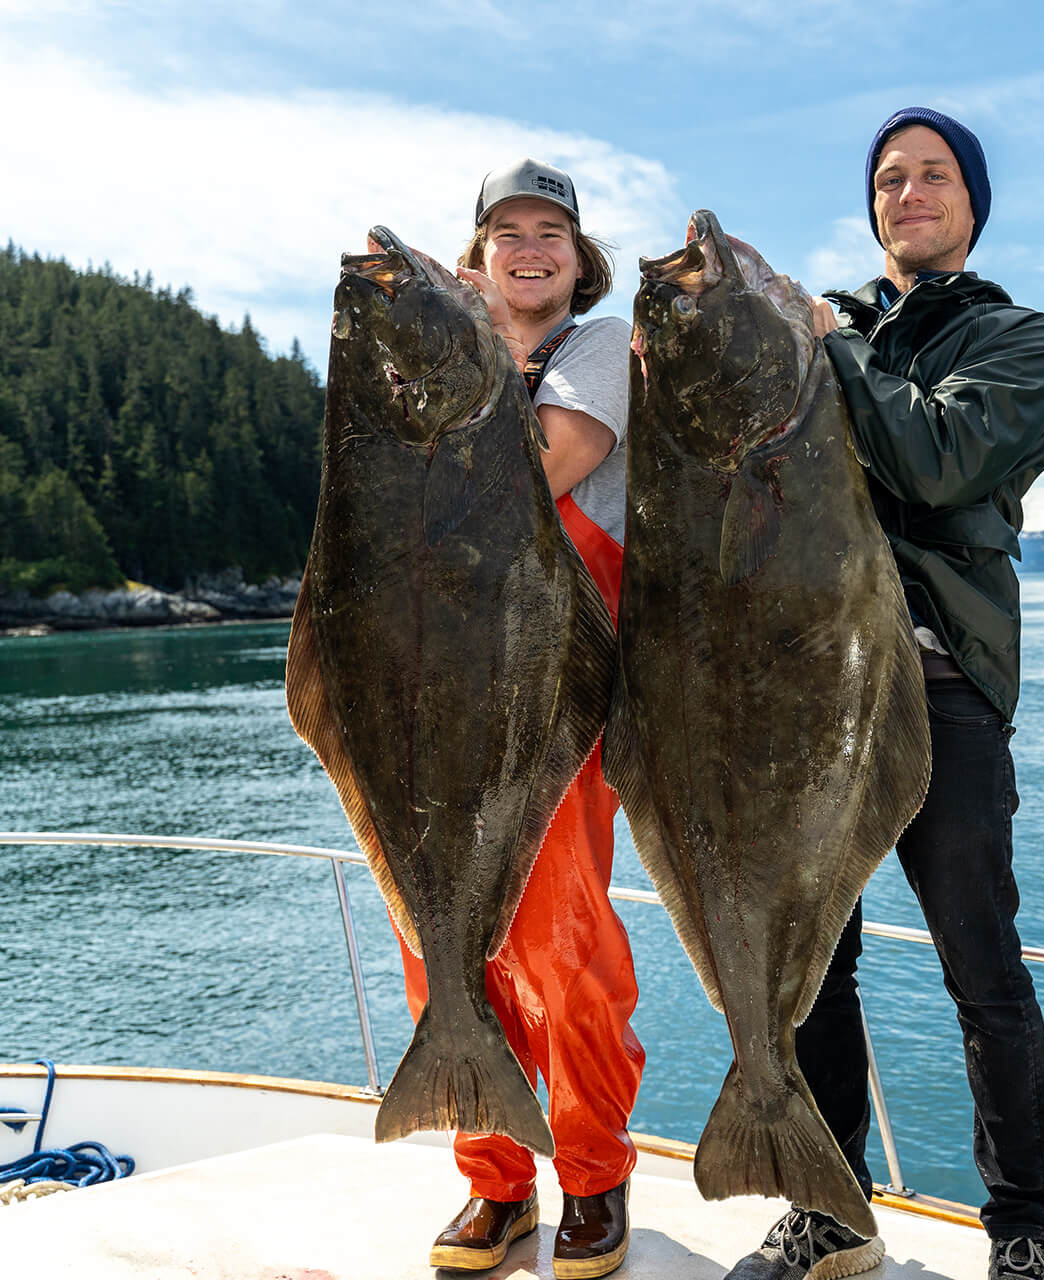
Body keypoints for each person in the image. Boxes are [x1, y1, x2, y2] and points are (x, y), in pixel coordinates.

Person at [724, 109, 1044, 1280]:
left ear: (971, 202)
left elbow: (934, 461)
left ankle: (1022, 1229)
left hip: (943, 688)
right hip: (809, 692)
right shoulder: (821, 329)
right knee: (814, 964)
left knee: (984, 967)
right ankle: (834, 1211)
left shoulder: (1019, 341)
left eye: (934, 177)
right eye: (889, 179)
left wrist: (829, 344)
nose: (910, 193)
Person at [393, 158, 645, 1280]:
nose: (530, 248)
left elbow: (545, 468)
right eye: (508, 231)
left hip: (551, 685)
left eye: (551, 231)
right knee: (432, 941)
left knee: (562, 941)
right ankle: (495, 1180)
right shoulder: (432, 355)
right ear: (477, 255)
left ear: (577, 259)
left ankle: (593, 1173)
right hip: (425, 683)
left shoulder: (597, 351)